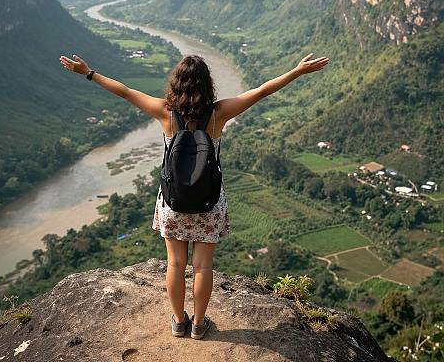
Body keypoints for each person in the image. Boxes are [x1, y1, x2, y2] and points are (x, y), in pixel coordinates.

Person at [58, 51, 329, 339]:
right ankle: (199, 325)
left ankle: (178, 321)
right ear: (207, 85)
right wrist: (297, 72)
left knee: (175, 264)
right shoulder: (219, 114)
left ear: (176, 84)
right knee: (203, 266)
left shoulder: (165, 112)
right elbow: (261, 91)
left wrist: (89, 73)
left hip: (173, 203)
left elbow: (125, 92)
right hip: (209, 203)